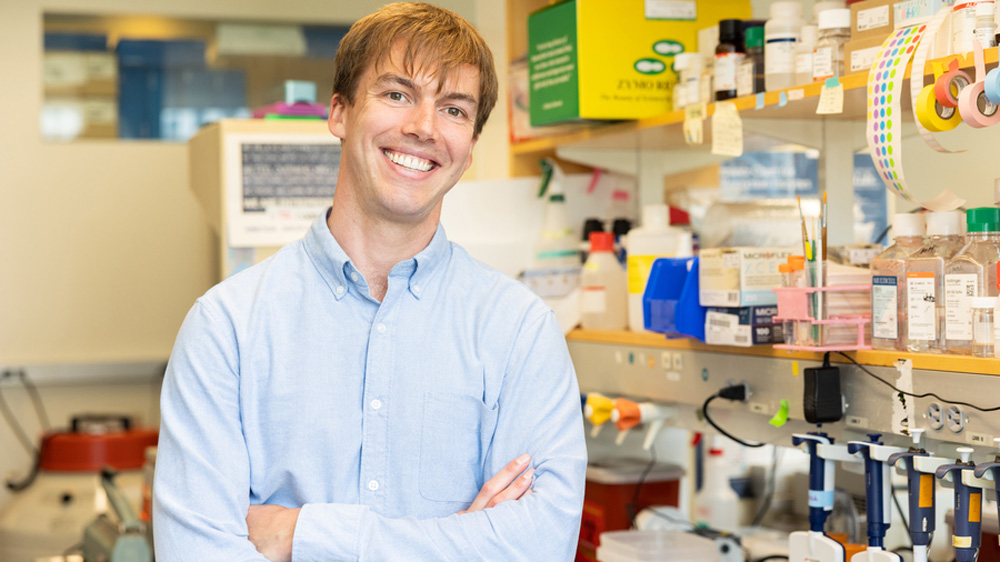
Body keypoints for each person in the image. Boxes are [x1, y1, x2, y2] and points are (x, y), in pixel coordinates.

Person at [152, 3, 587, 561]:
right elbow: (196, 553)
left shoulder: (520, 330)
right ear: (339, 111)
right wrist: (460, 540)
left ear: (471, 146)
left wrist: (301, 537)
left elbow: (540, 547)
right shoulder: (227, 327)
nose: (423, 128)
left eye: (453, 109)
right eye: (397, 95)